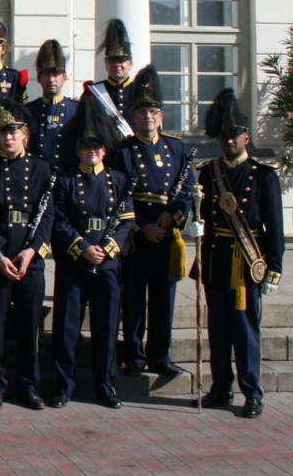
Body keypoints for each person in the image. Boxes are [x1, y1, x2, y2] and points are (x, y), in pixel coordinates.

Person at [194, 89, 284, 419]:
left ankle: (252, 392)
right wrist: (195, 228)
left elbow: (274, 224)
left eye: (235, 135)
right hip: (217, 258)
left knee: (246, 330)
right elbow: (201, 213)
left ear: (246, 136)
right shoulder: (209, 172)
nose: (229, 141)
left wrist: (274, 266)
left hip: (246, 263)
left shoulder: (263, 175)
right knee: (217, 328)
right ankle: (221, 388)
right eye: (224, 135)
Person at [49, 94, 134, 410]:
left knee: (107, 326)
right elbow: (59, 219)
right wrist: (83, 247)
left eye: (97, 148)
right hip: (76, 261)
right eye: (86, 148)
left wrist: (108, 250)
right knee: (67, 327)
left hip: (108, 263)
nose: (92, 153)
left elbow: (127, 221)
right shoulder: (66, 181)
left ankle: (105, 385)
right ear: (78, 150)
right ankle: (63, 386)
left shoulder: (118, 180)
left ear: (105, 150)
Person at [0, 98, 53, 411]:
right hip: (0, 252)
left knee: (29, 324)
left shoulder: (41, 168)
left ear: (25, 135)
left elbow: (47, 217)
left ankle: (28, 384)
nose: (8, 137)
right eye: (3, 132)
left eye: (14, 131)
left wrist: (32, 252)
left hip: (29, 253)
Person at [116, 65, 194, 378]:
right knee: (134, 298)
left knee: (164, 298)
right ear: (133, 117)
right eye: (141, 112)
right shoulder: (123, 151)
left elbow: (187, 190)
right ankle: (134, 355)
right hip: (138, 231)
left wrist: (169, 218)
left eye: (152, 111)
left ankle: (160, 355)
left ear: (161, 115)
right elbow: (117, 193)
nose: (147, 117)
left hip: (166, 232)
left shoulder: (176, 148)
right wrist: (143, 225)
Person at [25, 39, 79, 172]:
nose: (51, 80)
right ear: (39, 78)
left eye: (56, 74)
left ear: (64, 78)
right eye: (47, 74)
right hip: (37, 177)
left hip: (67, 179)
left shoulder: (77, 110)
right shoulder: (28, 110)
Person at [96, 18, 135, 130]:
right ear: (106, 64)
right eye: (112, 60)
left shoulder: (139, 91)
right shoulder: (93, 93)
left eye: (121, 60)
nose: (117, 65)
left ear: (130, 64)